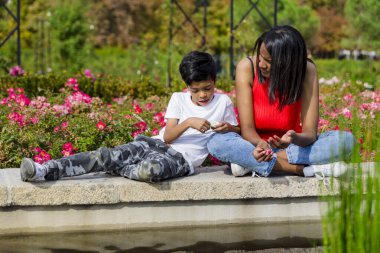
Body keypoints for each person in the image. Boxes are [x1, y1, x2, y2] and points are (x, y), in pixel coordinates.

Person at [20, 51, 240, 183]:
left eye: (208, 88)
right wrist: (190, 122)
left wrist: (227, 128)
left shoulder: (223, 102)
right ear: (187, 87)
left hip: (179, 161)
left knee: (150, 171)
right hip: (154, 145)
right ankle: (43, 170)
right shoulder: (178, 99)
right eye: (196, 90)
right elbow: (170, 136)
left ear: (215, 81)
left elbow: (238, 130)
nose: (202, 95)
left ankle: (117, 166)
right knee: (102, 155)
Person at [207, 25, 355, 178]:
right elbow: (247, 130)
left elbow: (310, 134)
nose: (261, 64)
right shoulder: (247, 68)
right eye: (260, 56)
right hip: (254, 145)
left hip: (293, 148)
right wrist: (260, 144)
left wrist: (294, 138)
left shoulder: (307, 70)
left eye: (269, 61)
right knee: (216, 141)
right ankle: (304, 170)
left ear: (289, 63)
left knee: (346, 141)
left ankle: (250, 164)